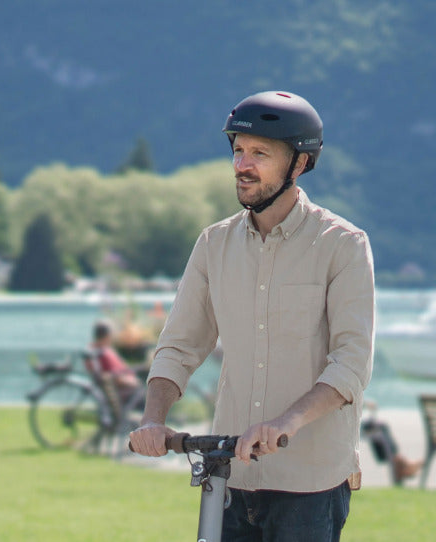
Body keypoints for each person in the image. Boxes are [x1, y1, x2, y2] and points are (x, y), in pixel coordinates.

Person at [129, 91, 375, 541]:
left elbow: (351, 363)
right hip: (230, 478)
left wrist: (287, 423)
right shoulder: (213, 244)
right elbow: (180, 344)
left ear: (299, 164)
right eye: (239, 151)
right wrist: (152, 418)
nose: (243, 164)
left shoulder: (343, 245)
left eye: (260, 153)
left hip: (310, 483)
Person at [361, 401, 423, 484]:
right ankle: (407, 467)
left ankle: (406, 468)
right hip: (379, 444)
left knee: (382, 426)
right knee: (380, 432)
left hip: (380, 444)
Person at [86, 319, 141, 408]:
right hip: (123, 390)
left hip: (120, 386)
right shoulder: (103, 353)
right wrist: (134, 382)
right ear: (107, 335)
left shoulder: (97, 350)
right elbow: (116, 378)